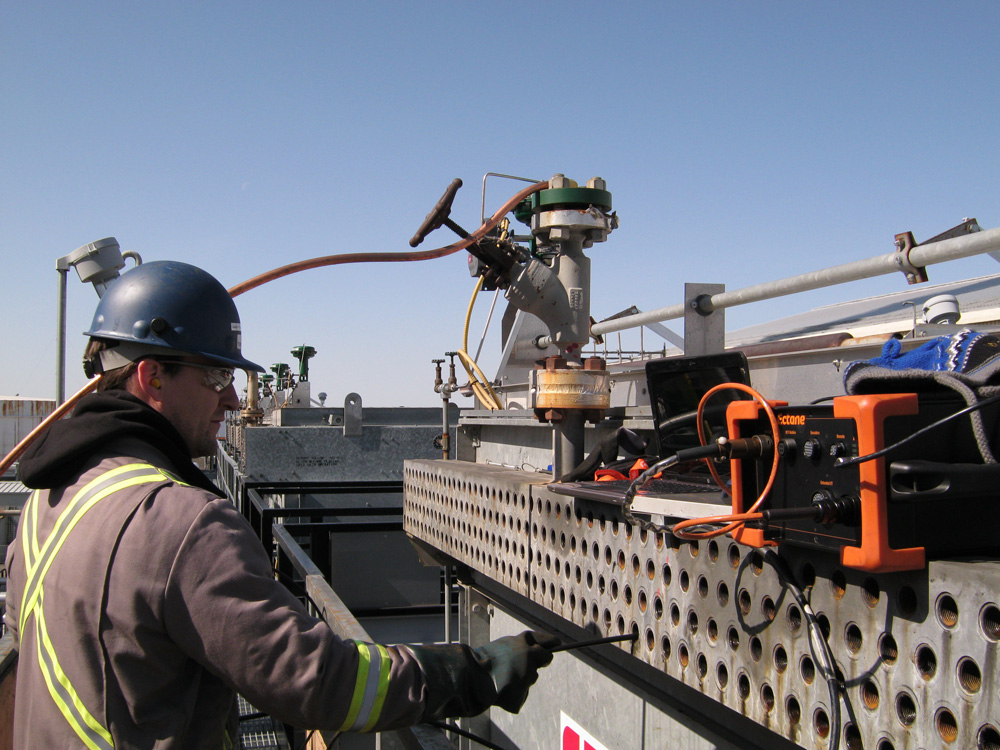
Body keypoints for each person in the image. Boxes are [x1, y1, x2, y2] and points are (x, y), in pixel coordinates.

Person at [3, 260, 558, 748]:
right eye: (217, 373)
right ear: (152, 377)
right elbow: (317, 681)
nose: (229, 396)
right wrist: (469, 671)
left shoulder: (47, 503)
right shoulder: (181, 524)